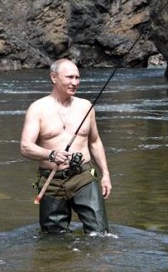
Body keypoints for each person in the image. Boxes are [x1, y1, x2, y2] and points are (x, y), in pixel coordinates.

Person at [20, 59, 112, 234]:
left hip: (83, 176)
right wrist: (51, 154)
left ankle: (97, 261)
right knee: (53, 239)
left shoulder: (86, 107)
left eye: (77, 77)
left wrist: (105, 175)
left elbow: (94, 142)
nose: (75, 82)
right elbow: (25, 147)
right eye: (70, 77)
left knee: (99, 233)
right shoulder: (37, 109)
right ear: (54, 77)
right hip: (50, 181)